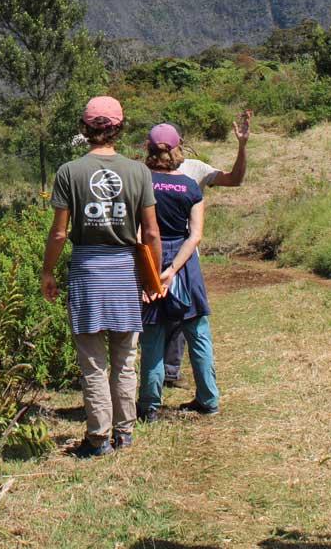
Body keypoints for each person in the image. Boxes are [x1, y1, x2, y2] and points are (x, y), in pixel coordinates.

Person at [41, 95, 161, 457]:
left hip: (87, 272)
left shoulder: (69, 172)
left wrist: (48, 271)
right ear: (119, 128)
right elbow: (151, 233)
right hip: (125, 271)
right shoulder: (139, 172)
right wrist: (151, 279)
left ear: (85, 128)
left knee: (93, 362)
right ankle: (125, 433)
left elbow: (60, 233)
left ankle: (98, 438)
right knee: (125, 359)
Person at [159, 112, 252, 386]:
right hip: (158, 250)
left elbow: (234, 179)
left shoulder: (195, 168)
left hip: (185, 253)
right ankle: (157, 378)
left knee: (180, 313)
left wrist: (242, 146)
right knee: (156, 315)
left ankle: (169, 373)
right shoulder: (146, 172)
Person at [136, 124, 219, 421]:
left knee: (153, 334)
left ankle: (149, 406)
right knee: (197, 331)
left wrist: (153, 272)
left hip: (150, 258)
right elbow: (195, 235)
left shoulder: (142, 182)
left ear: (149, 148)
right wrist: (173, 270)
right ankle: (208, 399)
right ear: (177, 148)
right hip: (185, 264)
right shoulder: (190, 186)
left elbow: (140, 231)